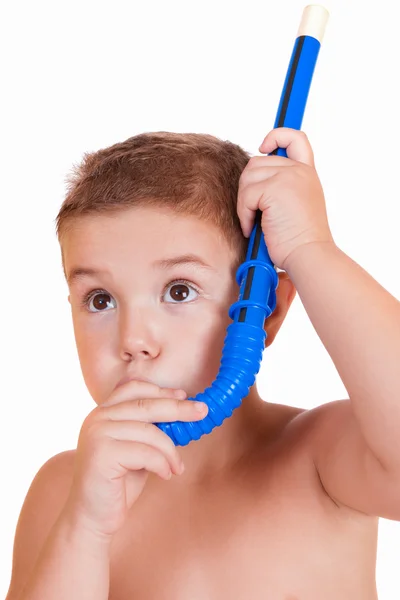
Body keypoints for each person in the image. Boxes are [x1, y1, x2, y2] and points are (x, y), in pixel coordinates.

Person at [6, 126, 400, 600]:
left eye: (178, 290)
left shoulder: (319, 458)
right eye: (100, 299)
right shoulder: (65, 492)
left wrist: (309, 248)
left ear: (266, 310)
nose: (134, 340)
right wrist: (85, 530)